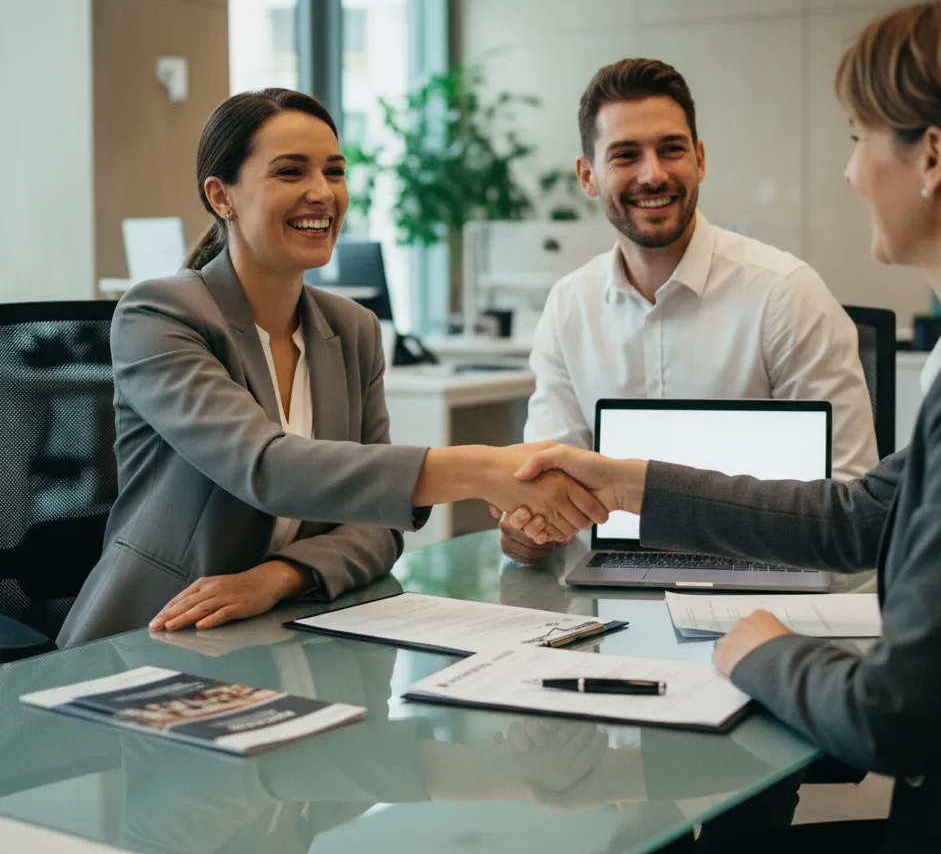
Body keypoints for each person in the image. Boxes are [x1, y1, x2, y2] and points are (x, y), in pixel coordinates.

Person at [506, 0, 941, 850]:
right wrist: (626, 479)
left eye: (860, 139)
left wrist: (762, 649)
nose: (852, 171)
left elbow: (894, 716)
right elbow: (861, 515)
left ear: (932, 157)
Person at [58, 89, 605, 648]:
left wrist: (278, 577)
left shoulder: (353, 329)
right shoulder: (160, 313)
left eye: (334, 171)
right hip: (153, 635)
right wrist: (484, 469)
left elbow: (378, 524)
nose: (322, 193)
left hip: (292, 627)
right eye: (290, 172)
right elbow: (267, 467)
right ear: (222, 196)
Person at [503, 57, 877, 564]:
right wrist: (531, 526)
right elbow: (545, 490)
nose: (653, 174)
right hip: (611, 589)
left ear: (700, 159)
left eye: (671, 149)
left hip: (769, 576)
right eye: (625, 155)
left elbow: (851, 505)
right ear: (587, 176)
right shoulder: (569, 307)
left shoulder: (787, 294)